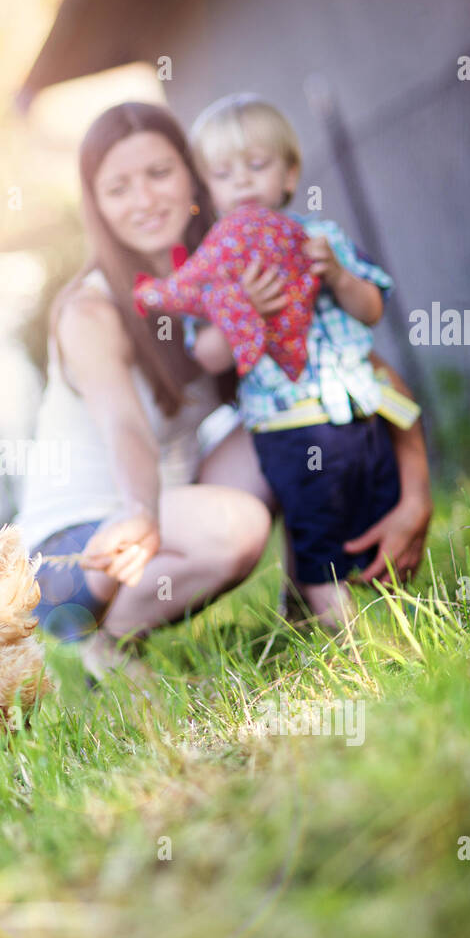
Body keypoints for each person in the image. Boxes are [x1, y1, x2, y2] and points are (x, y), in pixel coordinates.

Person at [11, 102, 431, 678]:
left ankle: (308, 600)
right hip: (77, 554)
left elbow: (357, 370)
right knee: (236, 528)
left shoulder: (240, 256)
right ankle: (103, 642)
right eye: (118, 187)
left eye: (160, 174)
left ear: (193, 176)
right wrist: (138, 509)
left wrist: (416, 493)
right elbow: (125, 425)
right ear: (97, 205)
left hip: (172, 510)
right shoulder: (91, 309)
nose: (145, 200)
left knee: (303, 423)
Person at [171, 93, 425, 624]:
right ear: (207, 190)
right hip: (289, 425)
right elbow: (209, 355)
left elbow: (372, 308)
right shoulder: (217, 266)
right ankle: (349, 642)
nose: (242, 182)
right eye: (223, 173)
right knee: (316, 532)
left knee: (373, 510)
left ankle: (375, 615)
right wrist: (246, 312)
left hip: (358, 410)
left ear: (290, 175)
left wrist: (337, 275)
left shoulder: (321, 239)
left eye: (257, 165)